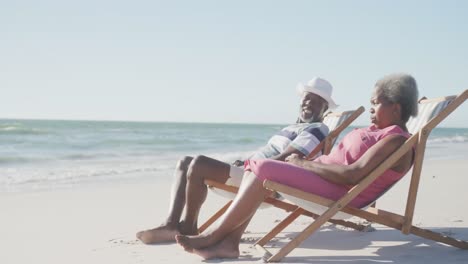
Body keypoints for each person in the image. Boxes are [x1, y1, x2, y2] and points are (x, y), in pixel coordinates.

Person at [175, 73, 419, 260]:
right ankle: (229, 243)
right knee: (260, 168)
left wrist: (303, 163)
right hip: (324, 180)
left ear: (396, 108)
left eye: (376, 104)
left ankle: (215, 236)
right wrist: (307, 165)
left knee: (264, 168)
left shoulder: (396, 140)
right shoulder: (380, 132)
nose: (372, 110)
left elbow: (352, 174)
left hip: (339, 192)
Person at [136, 77, 338, 244]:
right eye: (305, 99)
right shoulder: (291, 127)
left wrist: (250, 165)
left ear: (324, 108)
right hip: (252, 171)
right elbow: (270, 153)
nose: (308, 103)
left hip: (265, 182)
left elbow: (289, 157)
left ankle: (188, 227)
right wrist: (245, 162)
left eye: (315, 101)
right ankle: (172, 224)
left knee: (198, 164)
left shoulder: (317, 129)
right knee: (184, 162)